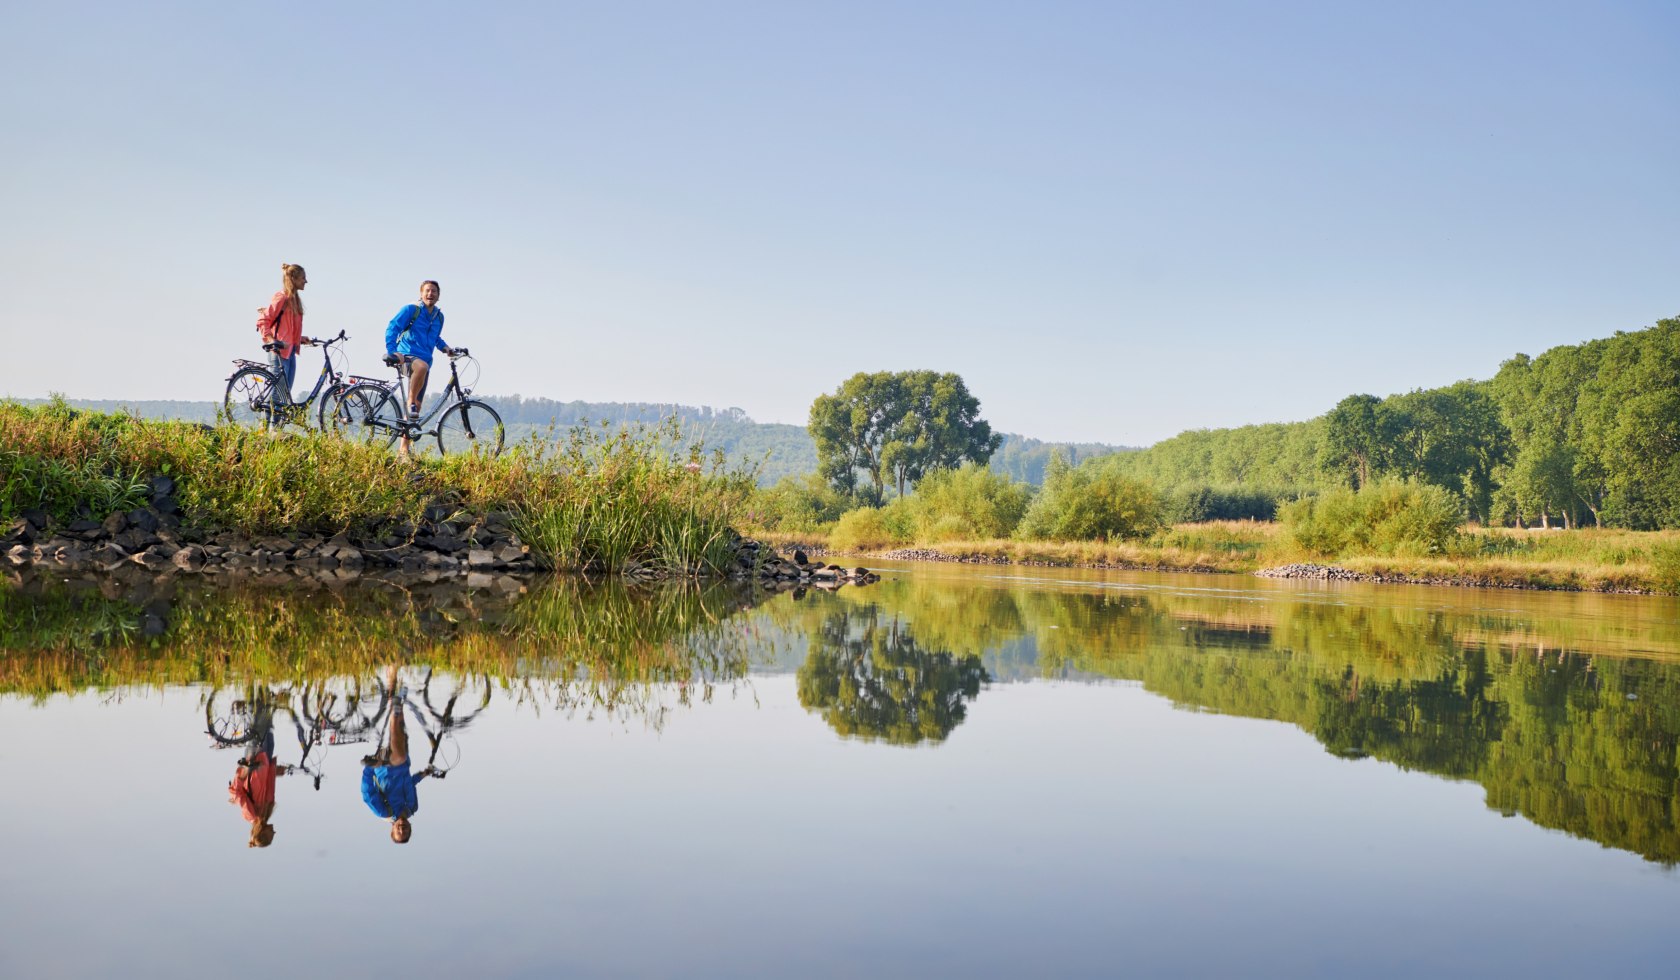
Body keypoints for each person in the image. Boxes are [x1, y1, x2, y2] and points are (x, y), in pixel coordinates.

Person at [362, 667, 437, 844]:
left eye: (398, 830)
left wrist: (369, 768)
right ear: (411, 827)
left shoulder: (383, 812)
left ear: (392, 829)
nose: (402, 828)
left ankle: (396, 702)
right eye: (405, 830)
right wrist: (423, 774)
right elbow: (410, 783)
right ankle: (392, 672)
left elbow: (367, 793)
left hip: (384, 765)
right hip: (403, 763)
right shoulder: (412, 807)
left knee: (397, 735)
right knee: (398, 721)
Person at [384, 279, 456, 457]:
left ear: (439, 296)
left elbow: (435, 337)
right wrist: (393, 351)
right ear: (421, 293)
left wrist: (445, 348)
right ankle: (410, 400)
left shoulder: (439, 316)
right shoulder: (411, 310)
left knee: (417, 408)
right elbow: (393, 327)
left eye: (434, 291)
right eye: (427, 291)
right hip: (406, 356)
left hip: (424, 361)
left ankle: (404, 450)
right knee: (415, 393)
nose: (430, 294)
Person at [227, 698, 289, 848]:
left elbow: (236, 794)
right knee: (267, 720)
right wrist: (275, 771)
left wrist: (245, 771)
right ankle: (264, 691)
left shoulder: (251, 815)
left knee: (256, 721)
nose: (274, 832)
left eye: (270, 835)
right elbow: (265, 784)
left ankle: (250, 691)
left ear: (262, 832)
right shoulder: (265, 812)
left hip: (255, 758)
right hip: (266, 759)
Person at [256, 264, 313, 405]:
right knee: (277, 395)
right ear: (293, 279)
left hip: (291, 351)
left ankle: (276, 426)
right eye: (303, 278)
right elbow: (264, 320)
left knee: (284, 395)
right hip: (279, 351)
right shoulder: (281, 297)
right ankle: (270, 427)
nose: (306, 281)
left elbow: (287, 327)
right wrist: (270, 340)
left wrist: (299, 339)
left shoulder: (294, 300)